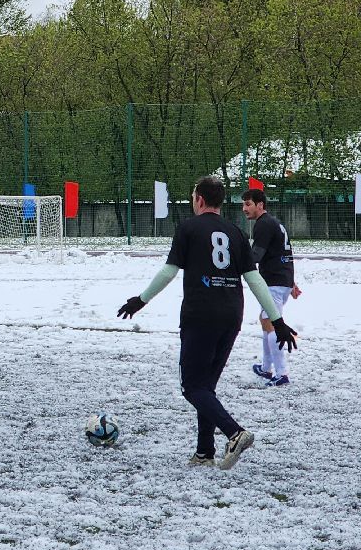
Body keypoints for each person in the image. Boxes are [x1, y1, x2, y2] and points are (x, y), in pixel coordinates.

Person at [118, 176, 298, 470]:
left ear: (199, 199)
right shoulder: (236, 232)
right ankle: (204, 453)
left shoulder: (188, 228)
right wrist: (277, 320)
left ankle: (235, 432)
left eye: (192, 196)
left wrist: (141, 299)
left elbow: (168, 272)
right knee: (206, 388)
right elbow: (254, 280)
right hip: (231, 316)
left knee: (191, 387)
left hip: (200, 316)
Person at [241, 187, 301, 387]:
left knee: (271, 322)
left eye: (248, 204)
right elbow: (282, 255)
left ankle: (281, 373)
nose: (244, 208)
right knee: (265, 320)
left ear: (260, 205)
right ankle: (266, 368)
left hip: (275, 282)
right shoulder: (274, 223)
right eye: (243, 204)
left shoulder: (263, 224)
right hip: (279, 280)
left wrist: (236, 267)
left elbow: (256, 255)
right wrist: (290, 282)